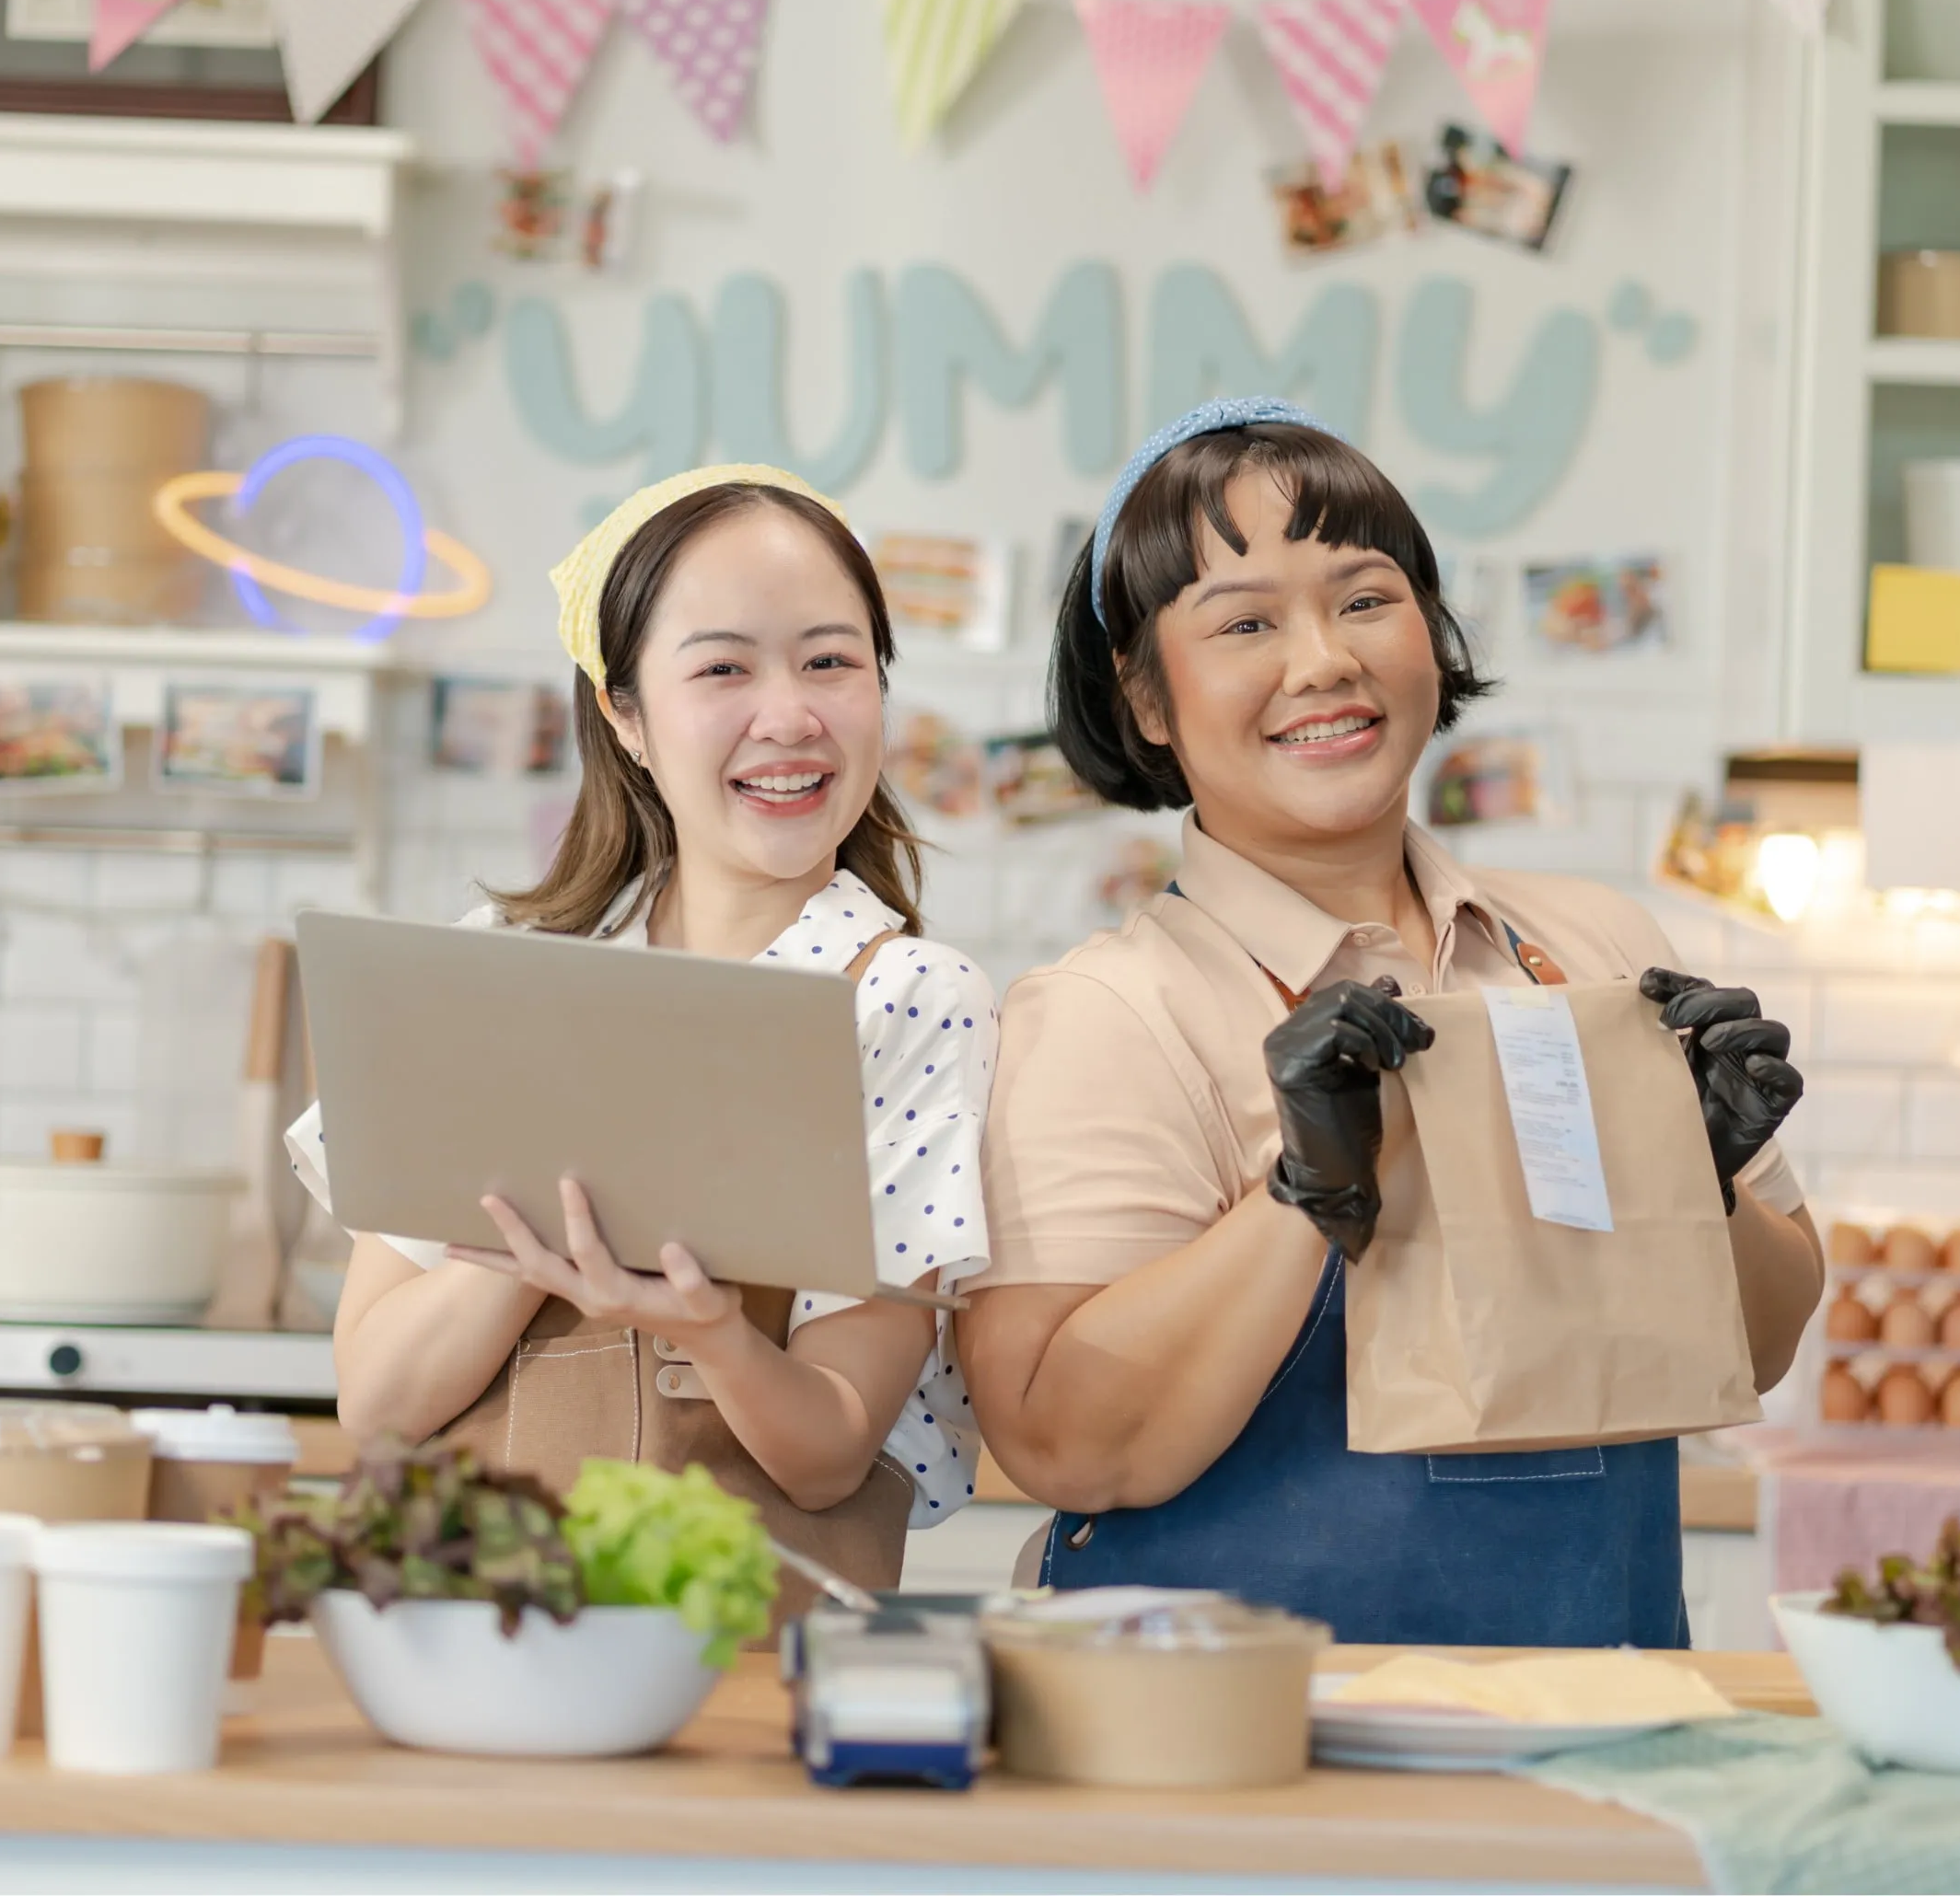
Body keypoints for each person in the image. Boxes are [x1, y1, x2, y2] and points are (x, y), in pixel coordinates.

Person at [959, 399, 1820, 1647]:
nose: (1322, 661)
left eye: (1364, 598)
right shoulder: (1107, 1014)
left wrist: (1703, 1175)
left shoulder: (1596, 949)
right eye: (1245, 621)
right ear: (1144, 696)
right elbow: (1060, 1441)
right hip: (1242, 1759)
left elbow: (1761, 1341)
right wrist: (1299, 1192)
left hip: (1599, 1719)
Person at [292, 465, 992, 1594]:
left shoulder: (908, 998)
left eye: (832, 661)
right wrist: (546, 1241)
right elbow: (375, 1408)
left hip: (746, 1682)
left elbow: (828, 1457)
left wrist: (709, 1329)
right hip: (473, 1657)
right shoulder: (496, 967)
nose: (790, 716)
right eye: (723, 667)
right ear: (625, 713)